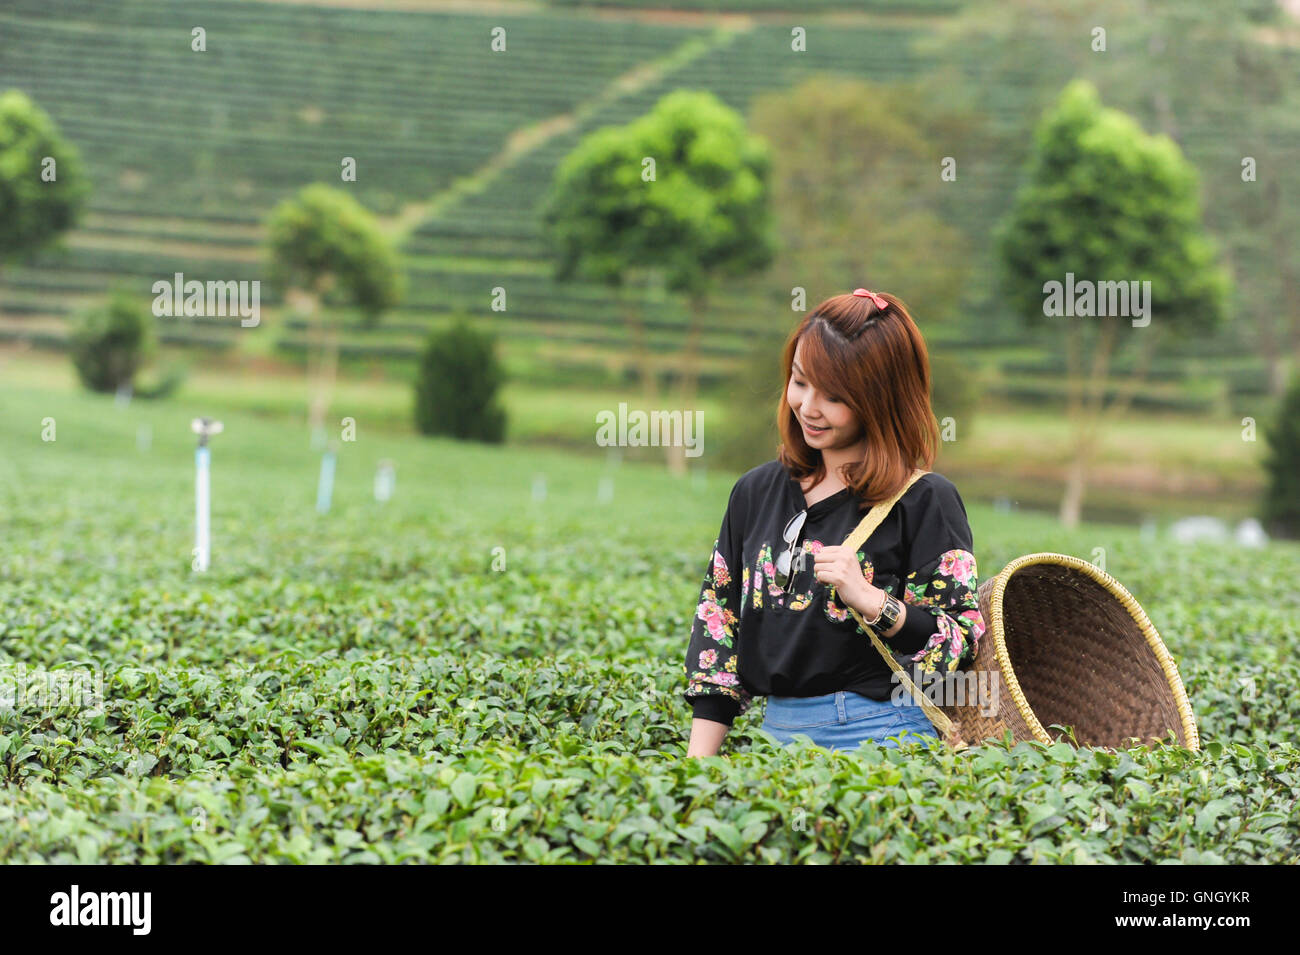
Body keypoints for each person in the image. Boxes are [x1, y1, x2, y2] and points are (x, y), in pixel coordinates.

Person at [682, 288, 986, 757]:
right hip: (777, 732)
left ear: (882, 401)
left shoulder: (924, 500)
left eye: (835, 396)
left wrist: (870, 600)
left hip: (881, 732)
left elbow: (959, 642)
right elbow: (718, 628)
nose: (808, 406)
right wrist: (696, 770)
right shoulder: (756, 492)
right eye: (800, 382)